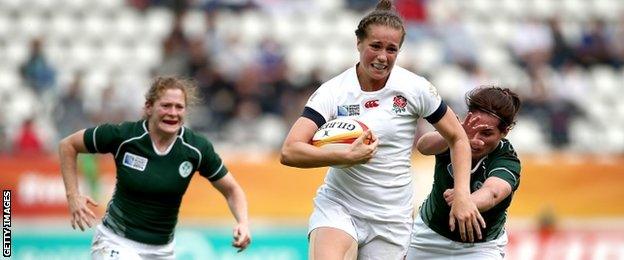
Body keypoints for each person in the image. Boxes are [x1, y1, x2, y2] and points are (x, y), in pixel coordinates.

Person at [280, 1, 484, 258]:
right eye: (375, 46)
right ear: (358, 43)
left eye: (392, 49)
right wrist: (344, 156)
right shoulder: (334, 92)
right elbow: (290, 150)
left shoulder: (415, 88)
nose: (382, 57)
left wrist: (463, 195)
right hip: (339, 206)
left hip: (392, 219)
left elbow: (457, 137)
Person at [59, 76, 251, 259]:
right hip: (115, 242)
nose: (173, 113)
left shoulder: (196, 148)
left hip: (162, 250)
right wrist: (73, 196)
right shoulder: (124, 136)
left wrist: (243, 223)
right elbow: (68, 145)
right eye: (166, 105)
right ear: (149, 107)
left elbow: (232, 190)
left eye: (179, 107)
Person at [406, 86, 522, 259]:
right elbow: (423, 146)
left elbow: (493, 193)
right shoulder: (456, 138)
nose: (476, 140)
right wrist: (454, 134)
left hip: (481, 247)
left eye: (486, 133)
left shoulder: (506, 159)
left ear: (505, 132)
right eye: (473, 130)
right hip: (427, 236)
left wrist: (463, 199)